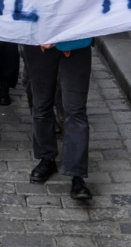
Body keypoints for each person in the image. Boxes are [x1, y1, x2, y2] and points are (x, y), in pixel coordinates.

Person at [23, 37, 93, 200]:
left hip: (77, 44)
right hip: (38, 44)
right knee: (41, 104)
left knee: (76, 111)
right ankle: (47, 158)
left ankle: (77, 174)